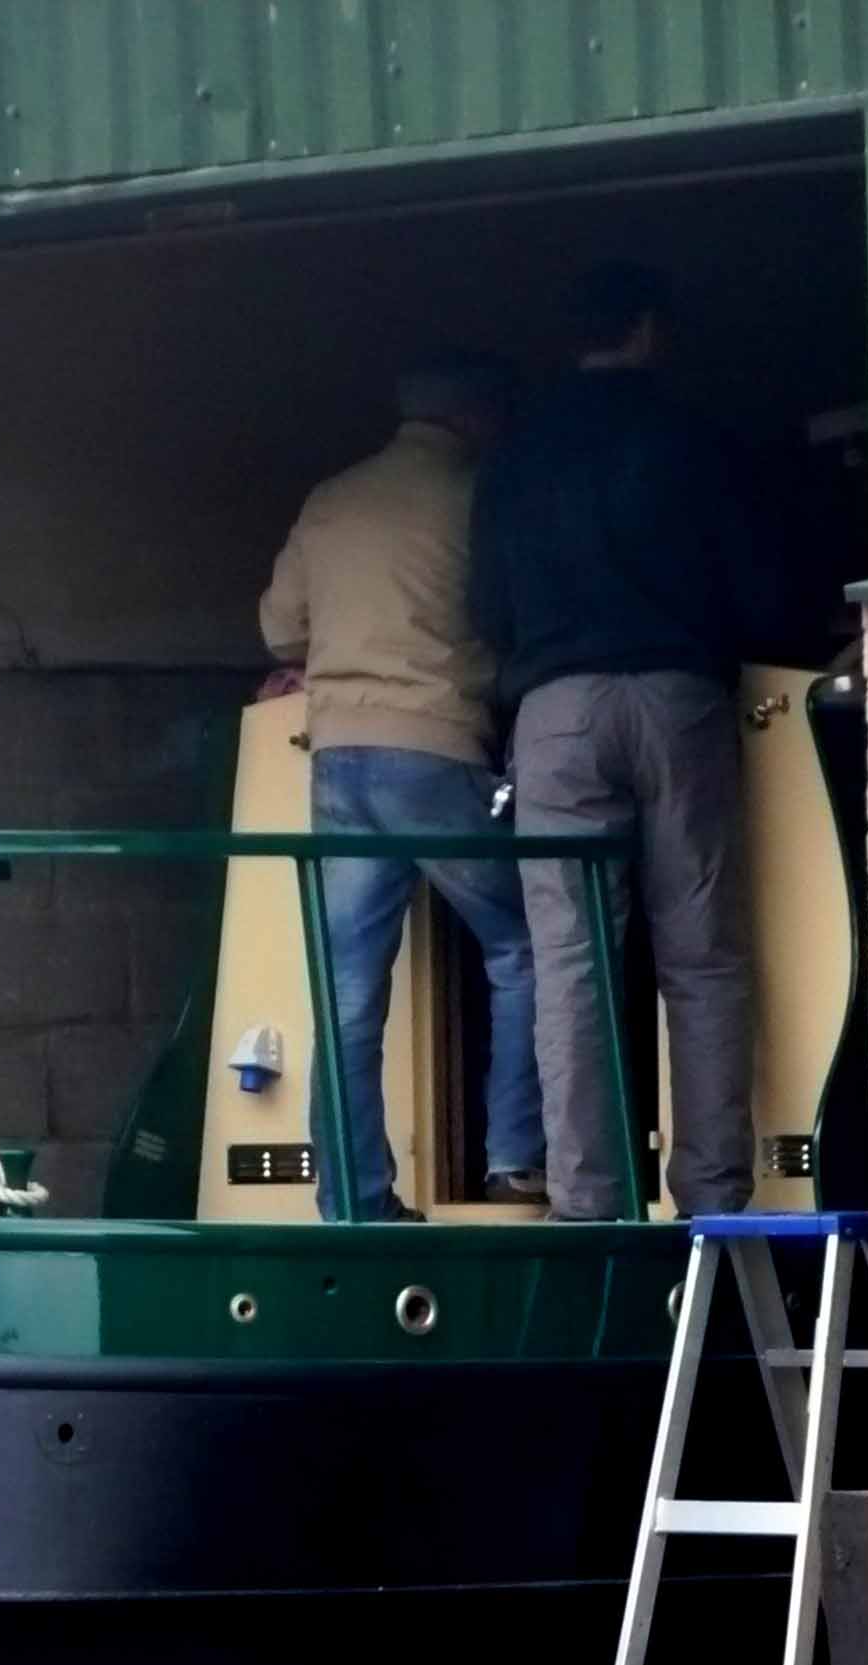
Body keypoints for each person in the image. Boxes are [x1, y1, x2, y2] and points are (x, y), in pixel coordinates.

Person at [470, 260, 786, 1220]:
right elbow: (758, 587)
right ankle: (713, 1202)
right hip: (677, 700)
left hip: (555, 713)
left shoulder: (516, 452)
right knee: (702, 958)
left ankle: (587, 1203)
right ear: (650, 329)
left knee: (571, 963)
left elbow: (486, 606)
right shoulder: (697, 436)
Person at [259, 350, 545, 1219]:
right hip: (436, 748)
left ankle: (353, 1198)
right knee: (526, 944)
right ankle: (514, 1160)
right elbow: (510, 622)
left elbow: (279, 629)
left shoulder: (332, 498)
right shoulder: (481, 497)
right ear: (473, 418)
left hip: (339, 757)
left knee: (346, 989)